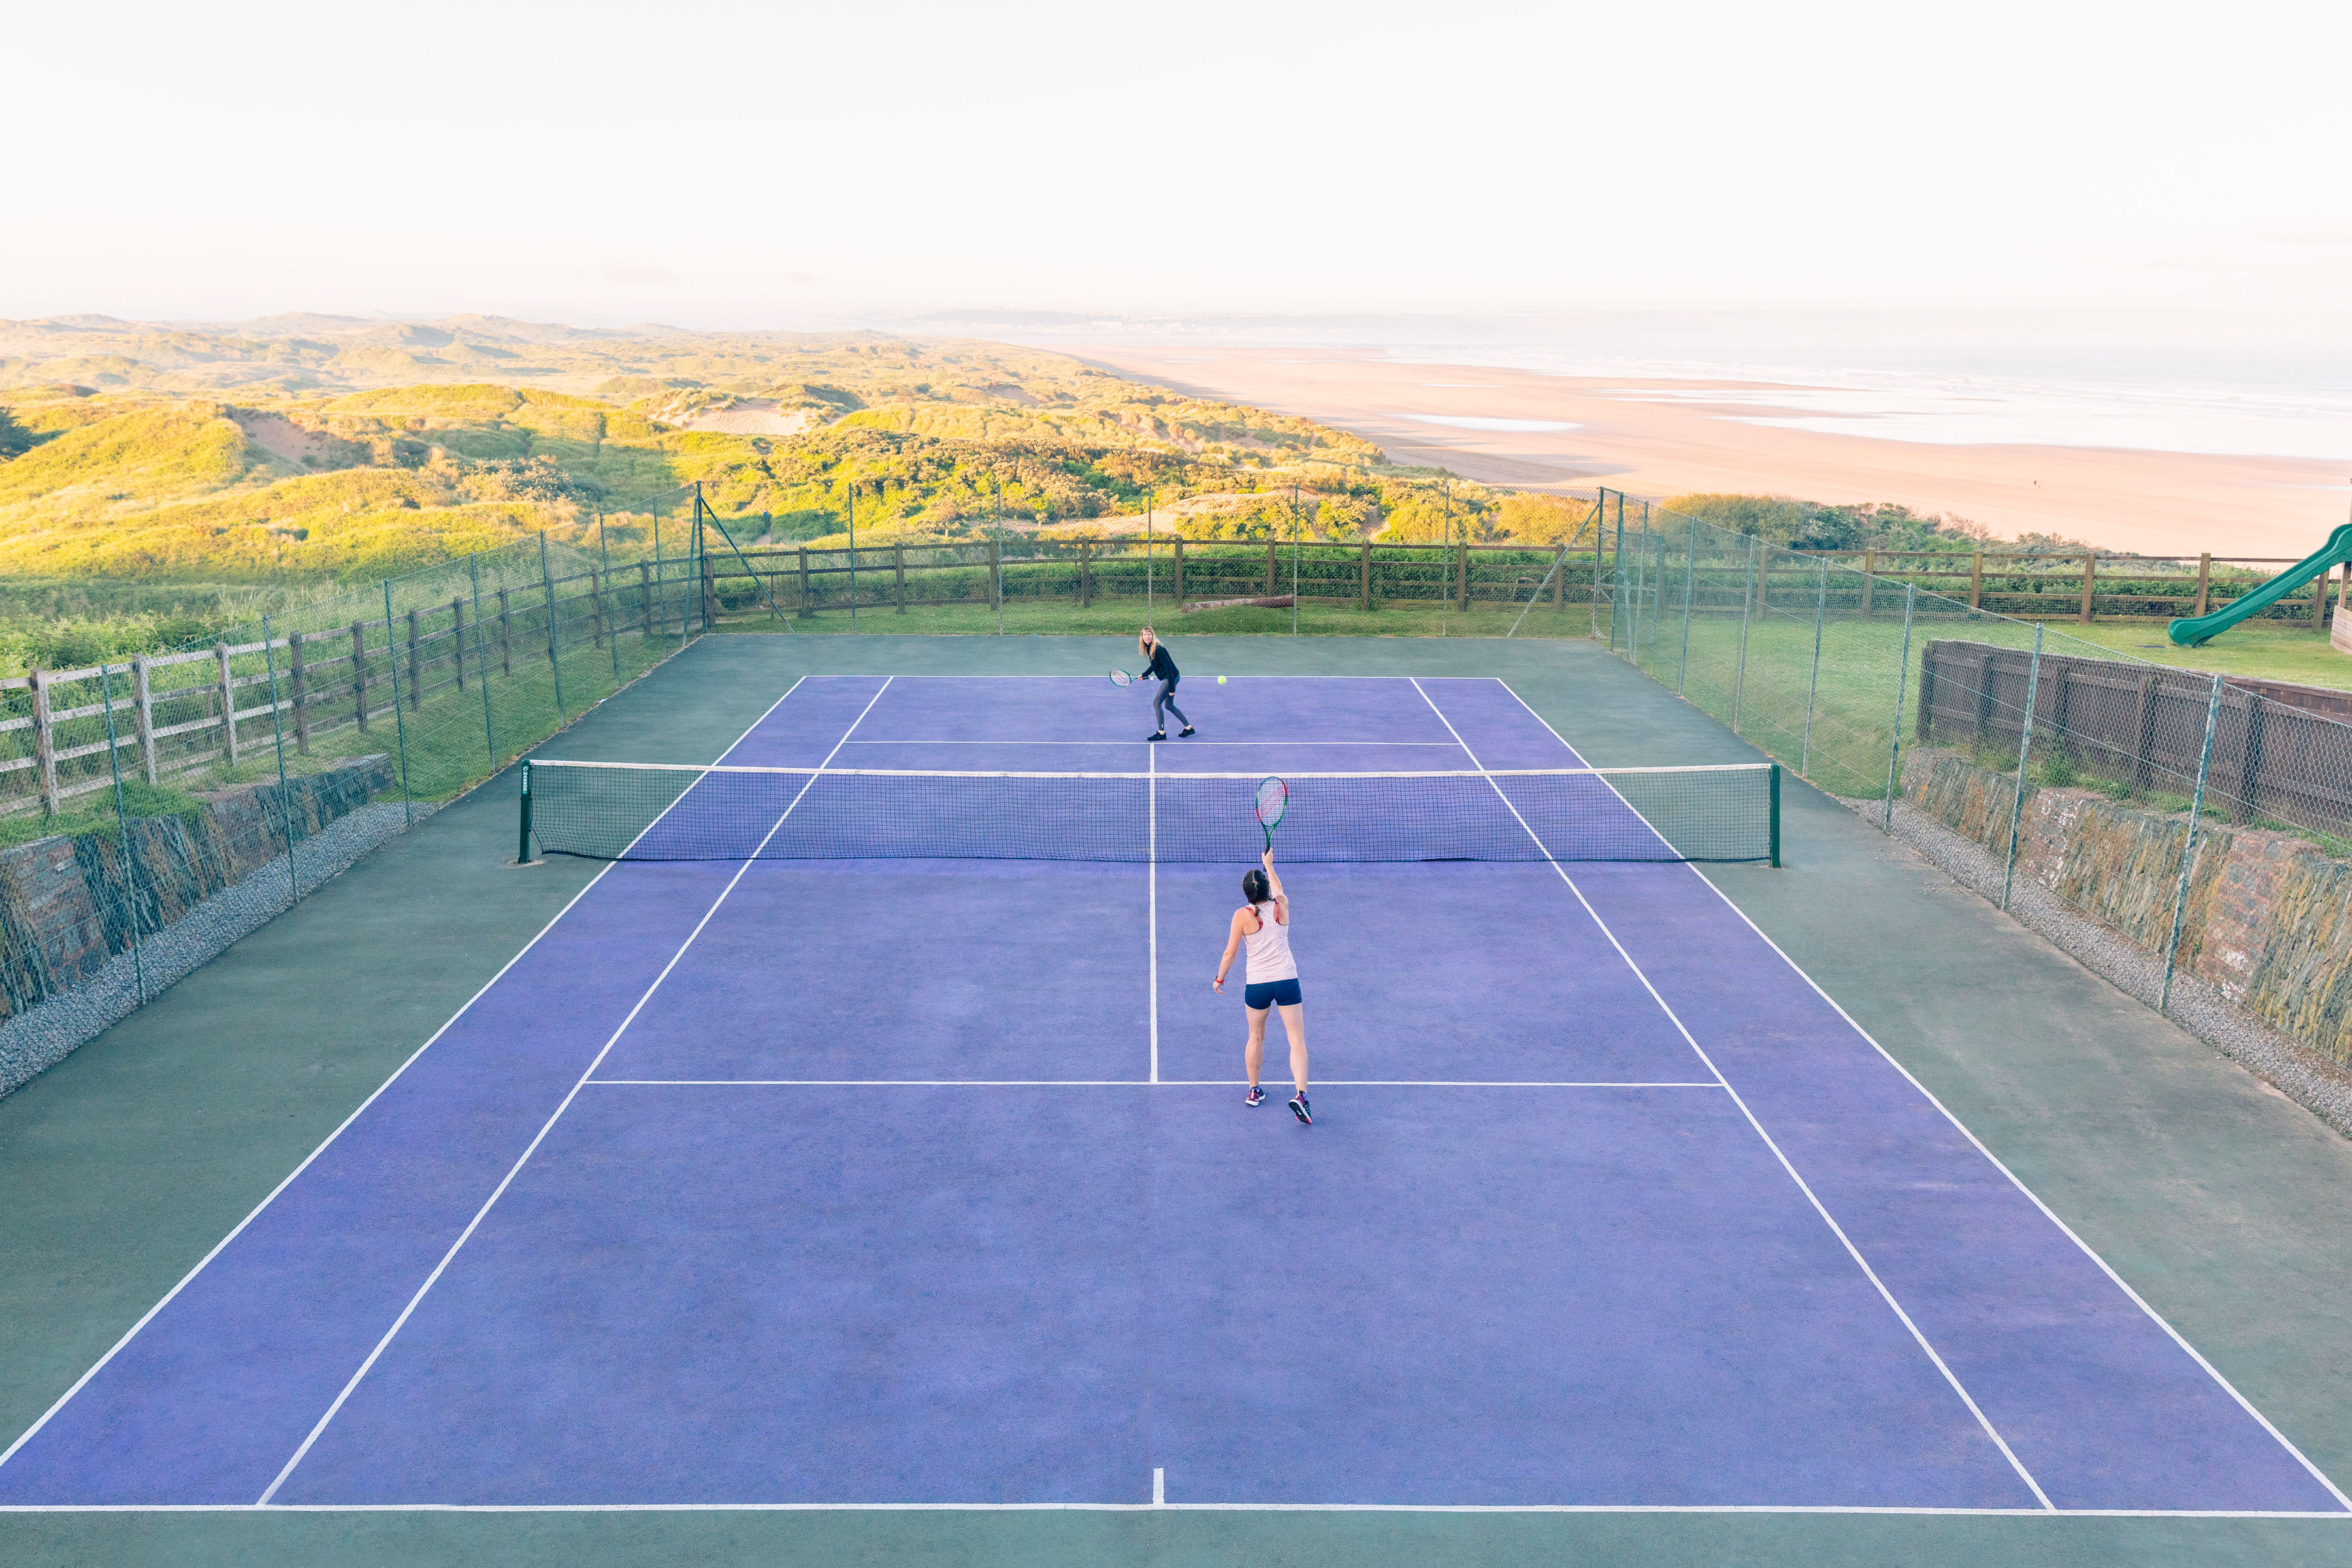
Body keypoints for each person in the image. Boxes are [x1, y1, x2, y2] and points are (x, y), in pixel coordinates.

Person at [1214, 848, 1310, 1124]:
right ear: (1267, 889)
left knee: (1255, 1036)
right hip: (1287, 981)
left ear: (1247, 894)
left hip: (1258, 985)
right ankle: (1301, 1096)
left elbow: (1230, 954)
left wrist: (1220, 978)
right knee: (1296, 1040)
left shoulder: (1241, 916)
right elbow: (1278, 890)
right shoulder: (1282, 905)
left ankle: (1254, 1091)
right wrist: (1269, 865)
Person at [1138, 627, 1194, 742]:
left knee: (1156, 703)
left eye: (1149, 634)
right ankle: (1189, 728)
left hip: (1171, 677)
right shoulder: (1150, 648)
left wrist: (1171, 688)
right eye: (1145, 635)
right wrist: (1145, 674)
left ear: (1153, 636)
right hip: (1173, 676)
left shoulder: (1157, 649)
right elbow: (1155, 664)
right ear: (1142, 637)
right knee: (1169, 705)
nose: (1147, 637)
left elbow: (1169, 667)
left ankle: (1161, 733)